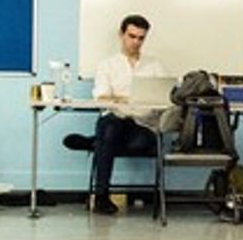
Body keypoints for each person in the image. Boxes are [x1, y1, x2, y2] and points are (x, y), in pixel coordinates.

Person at [63, 12, 169, 214]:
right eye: (132, 36)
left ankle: (94, 143)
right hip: (116, 120)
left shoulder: (155, 66)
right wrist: (129, 99)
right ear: (122, 35)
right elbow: (102, 97)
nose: (136, 42)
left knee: (115, 138)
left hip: (143, 126)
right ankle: (102, 196)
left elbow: (163, 98)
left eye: (141, 38)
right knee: (111, 126)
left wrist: (120, 97)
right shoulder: (107, 65)